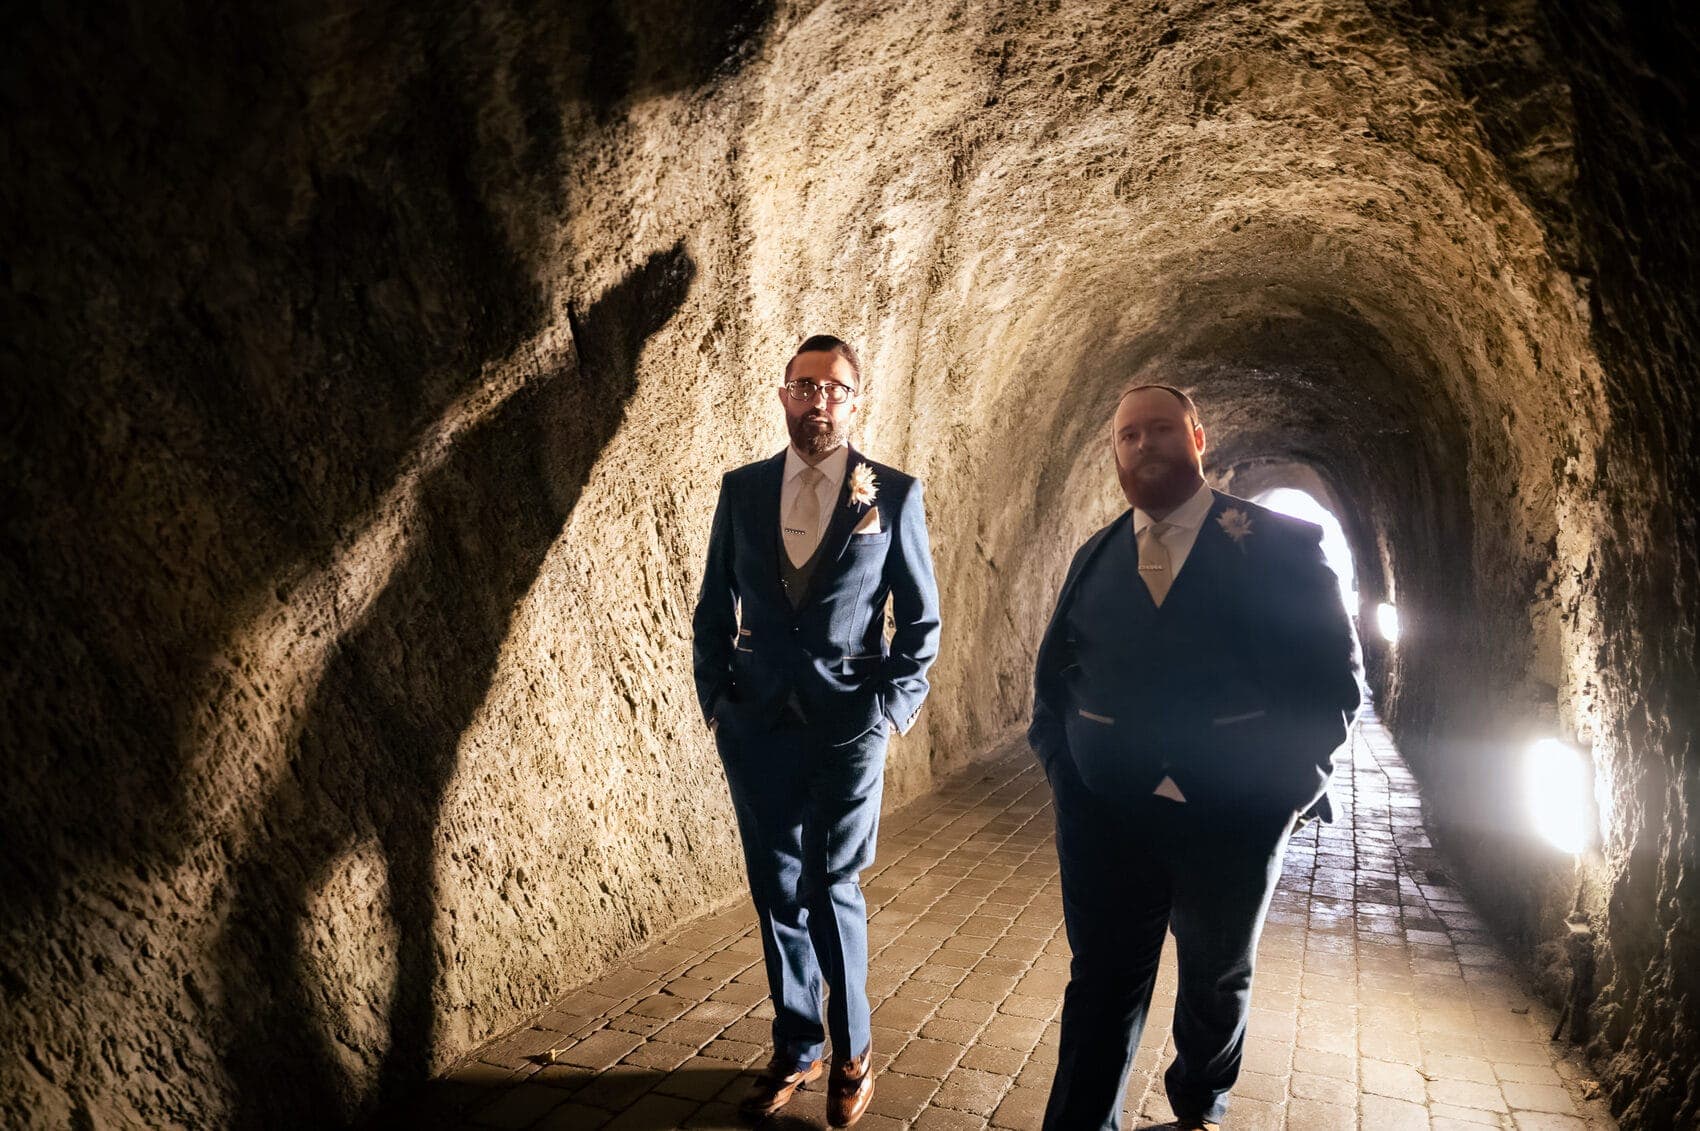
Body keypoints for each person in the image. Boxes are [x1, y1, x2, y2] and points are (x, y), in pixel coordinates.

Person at [1029, 384, 1360, 1130]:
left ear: (1199, 438)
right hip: (1107, 817)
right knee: (1103, 982)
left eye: (1160, 430)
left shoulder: (1280, 545)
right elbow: (1054, 682)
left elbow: (1333, 683)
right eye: (1128, 436)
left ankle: (1199, 1102)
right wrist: (1066, 773)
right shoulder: (1097, 554)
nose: (1144, 445)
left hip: (1232, 818)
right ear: (1114, 454)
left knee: (1215, 978)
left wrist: (1285, 791)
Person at [692, 335, 941, 1126]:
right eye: (804, 386)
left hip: (847, 726)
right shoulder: (741, 490)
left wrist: (888, 709)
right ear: (784, 396)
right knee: (775, 890)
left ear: (855, 399)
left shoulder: (892, 496)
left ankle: (853, 1051)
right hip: (757, 723)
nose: (818, 400)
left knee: (832, 884)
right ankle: (797, 1045)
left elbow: (921, 620)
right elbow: (711, 610)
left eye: (833, 388)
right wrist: (717, 703)